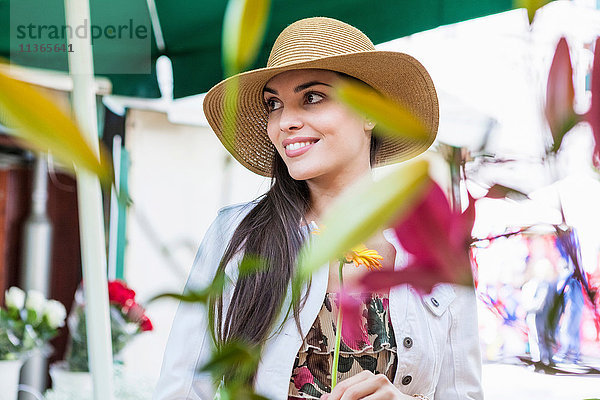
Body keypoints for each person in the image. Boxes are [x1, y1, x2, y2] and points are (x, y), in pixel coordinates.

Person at [154, 17, 483, 400]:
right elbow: (181, 389)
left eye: (312, 97)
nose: (285, 121)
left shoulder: (436, 250)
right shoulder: (238, 235)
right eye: (273, 104)